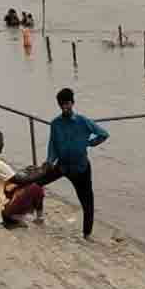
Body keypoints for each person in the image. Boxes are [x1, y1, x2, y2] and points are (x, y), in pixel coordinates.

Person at [44, 88, 109, 238]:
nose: (64, 107)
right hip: (62, 166)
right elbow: (52, 145)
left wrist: (90, 143)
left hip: (81, 168)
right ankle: (39, 215)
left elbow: (103, 134)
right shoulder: (55, 124)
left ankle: (87, 234)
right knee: (37, 183)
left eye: (67, 104)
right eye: (61, 104)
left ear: (72, 103)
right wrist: (49, 161)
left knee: (87, 203)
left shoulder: (83, 121)